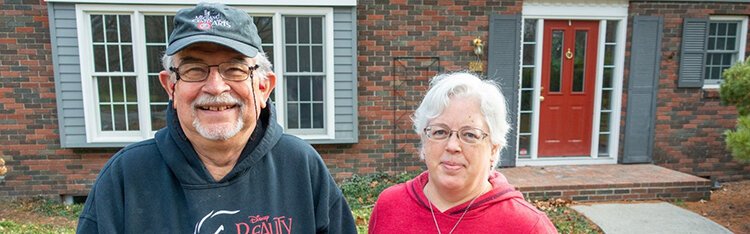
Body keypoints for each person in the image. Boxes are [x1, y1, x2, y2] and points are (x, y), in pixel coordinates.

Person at [76, 3, 356, 233]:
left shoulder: (301, 168)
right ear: (170, 87)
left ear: (263, 87)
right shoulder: (126, 176)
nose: (215, 87)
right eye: (194, 69)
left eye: (234, 69)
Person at [368, 72, 558, 233]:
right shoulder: (389, 206)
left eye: (469, 135)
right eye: (440, 132)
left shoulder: (528, 227)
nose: (452, 146)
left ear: (494, 148)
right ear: (424, 139)